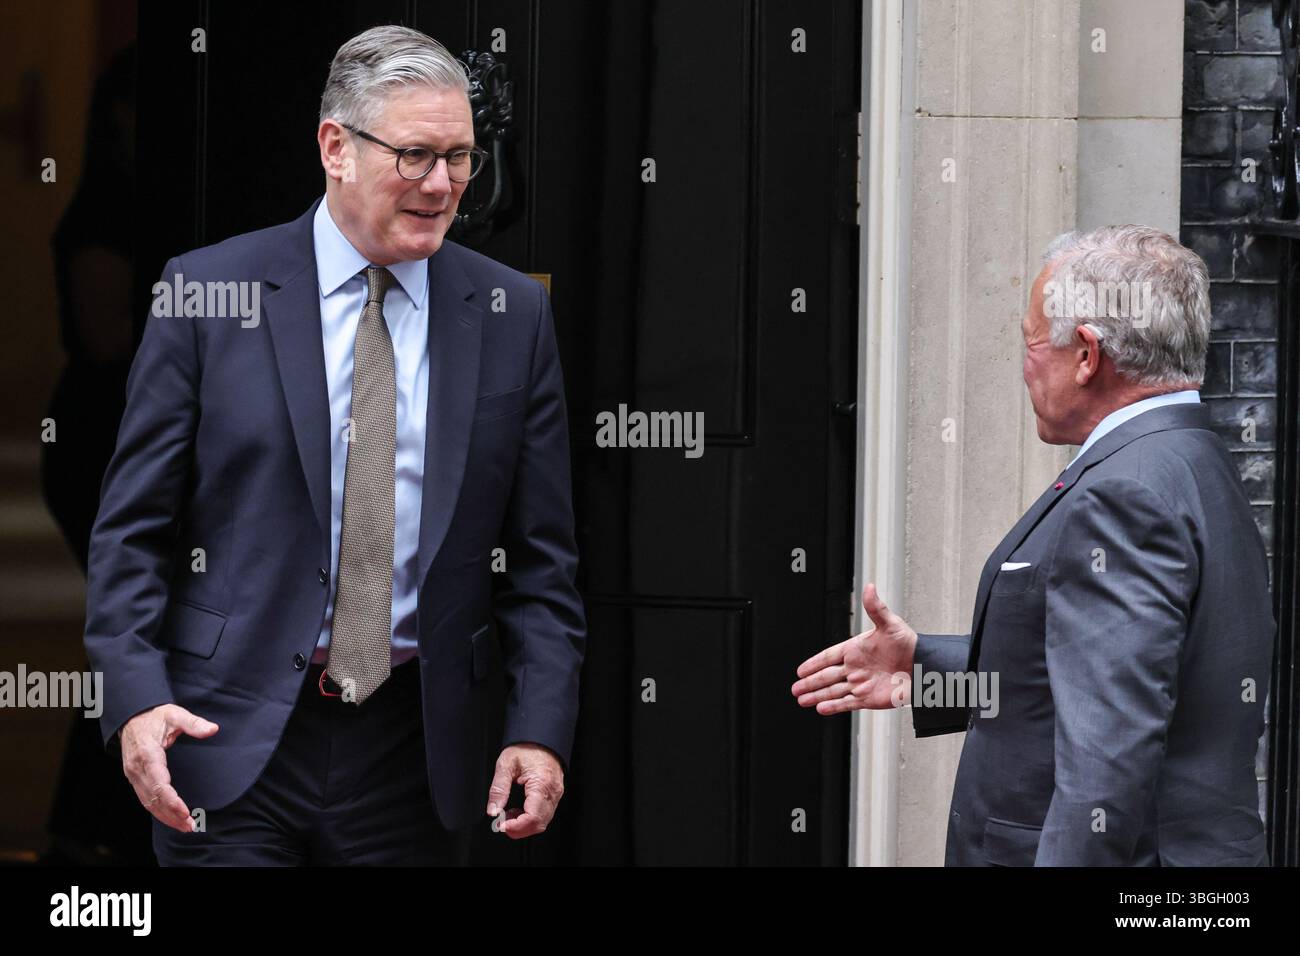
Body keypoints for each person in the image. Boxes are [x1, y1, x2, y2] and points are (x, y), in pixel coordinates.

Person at [83, 25, 586, 865]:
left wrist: (539, 729)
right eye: (415, 155)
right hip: (224, 736)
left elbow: (542, 562)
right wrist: (134, 698)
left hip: (416, 755)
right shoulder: (207, 293)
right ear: (335, 148)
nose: (442, 184)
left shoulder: (512, 315)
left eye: (460, 157)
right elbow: (131, 533)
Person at [793, 225, 1273, 865]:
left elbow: (1107, 763)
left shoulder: (1124, 493)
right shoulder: (1192, 457)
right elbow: (1118, 679)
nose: (1024, 368)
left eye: (1031, 343)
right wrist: (925, 667)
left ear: (1086, 355)